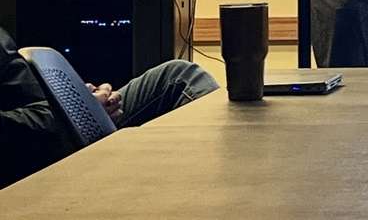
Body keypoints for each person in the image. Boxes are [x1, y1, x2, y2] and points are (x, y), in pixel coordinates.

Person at [0, 25, 218, 188]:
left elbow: (24, 90)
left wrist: (81, 96)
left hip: (49, 119)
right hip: (34, 146)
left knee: (177, 77)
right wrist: (78, 109)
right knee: (181, 79)